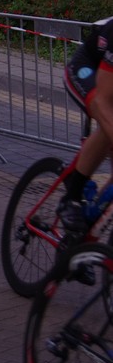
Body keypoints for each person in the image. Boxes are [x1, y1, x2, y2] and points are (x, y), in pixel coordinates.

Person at [58, 19, 113, 230]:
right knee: (107, 120)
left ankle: (90, 223)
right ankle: (71, 198)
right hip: (86, 69)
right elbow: (103, 101)